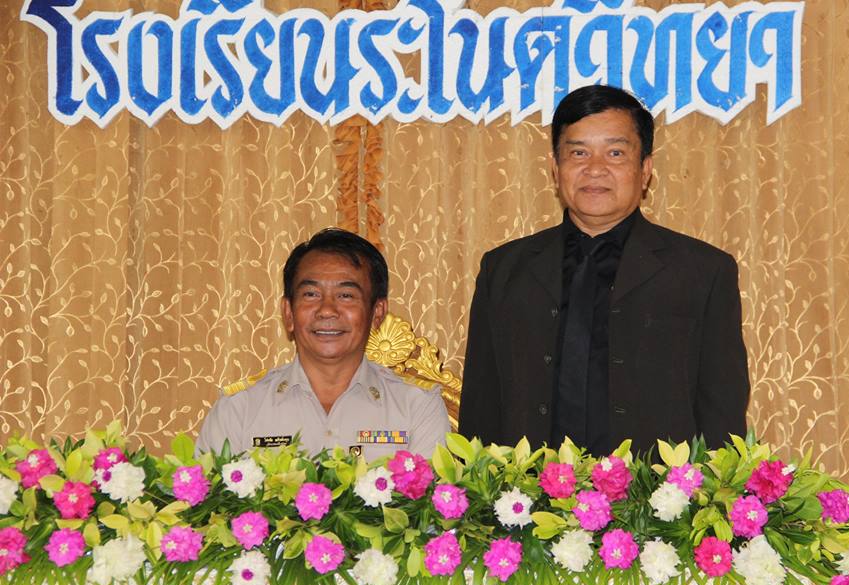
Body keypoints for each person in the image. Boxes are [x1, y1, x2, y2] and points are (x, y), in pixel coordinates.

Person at [458, 84, 749, 457]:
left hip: (656, 491)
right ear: (555, 168)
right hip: (527, 488)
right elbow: (481, 408)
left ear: (645, 170)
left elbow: (721, 412)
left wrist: (714, 487)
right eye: (578, 152)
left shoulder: (702, 272)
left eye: (615, 153)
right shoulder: (503, 270)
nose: (595, 169)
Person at [196, 229, 450, 459]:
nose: (327, 310)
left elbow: (427, 495)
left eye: (346, 295)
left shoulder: (417, 406)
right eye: (311, 294)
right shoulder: (238, 409)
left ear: (377, 313)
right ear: (288, 312)